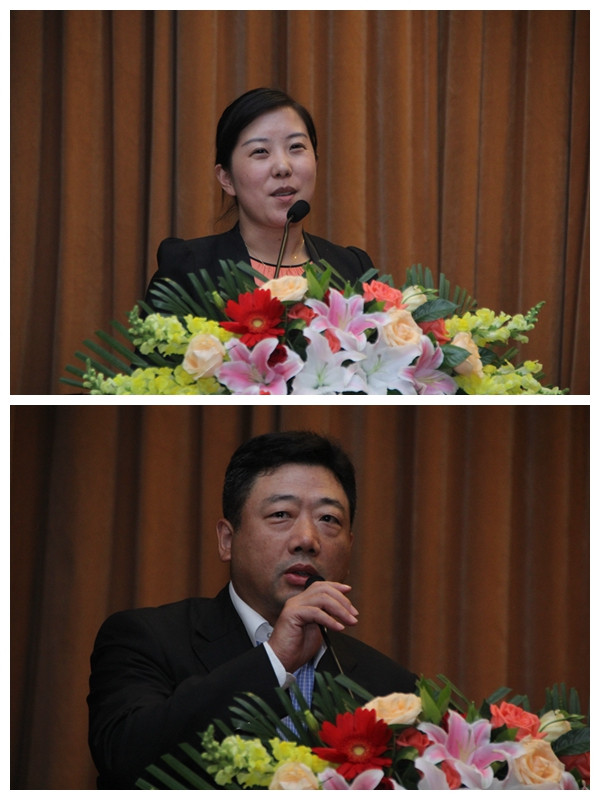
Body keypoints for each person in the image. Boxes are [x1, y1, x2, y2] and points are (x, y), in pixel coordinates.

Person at [87, 431, 416, 789]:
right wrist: (274, 659)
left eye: (328, 519)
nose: (307, 539)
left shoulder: (392, 689)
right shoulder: (147, 639)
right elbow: (125, 759)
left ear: (349, 547)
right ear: (227, 540)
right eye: (281, 514)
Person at [144, 88, 375, 310]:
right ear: (226, 178)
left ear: (315, 161)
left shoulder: (352, 269)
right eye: (260, 151)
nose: (282, 167)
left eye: (296, 147)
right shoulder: (189, 270)